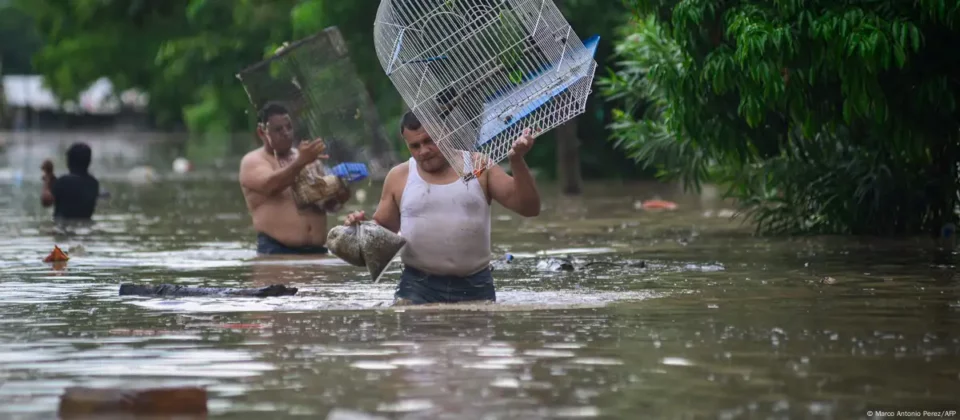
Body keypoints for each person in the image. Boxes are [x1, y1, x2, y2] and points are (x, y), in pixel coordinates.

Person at [343, 111, 541, 305]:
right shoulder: (399, 176)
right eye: (415, 146)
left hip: (475, 284)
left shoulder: (478, 166)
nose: (423, 151)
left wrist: (517, 161)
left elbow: (529, 208)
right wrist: (361, 228)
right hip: (417, 286)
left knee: (477, 338)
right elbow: (384, 230)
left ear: (447, 134)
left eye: (430, 141)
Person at [239, 101, 338, 255]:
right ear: (262, 132)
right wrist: (301, 162)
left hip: (318, 252)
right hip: (277, 252)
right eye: (278, 129)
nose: (286, 133)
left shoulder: (308, 158)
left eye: (289, 127)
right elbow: (270, 185)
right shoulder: (253, 161)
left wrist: (341, 187)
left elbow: (330, 206)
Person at [41, 143, 100, 220]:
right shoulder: (94, 183)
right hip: (85, 223)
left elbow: (46, 201)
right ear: (89, 161)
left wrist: (48, 177)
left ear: (69, 162)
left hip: (62, 226)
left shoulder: (63, 181)